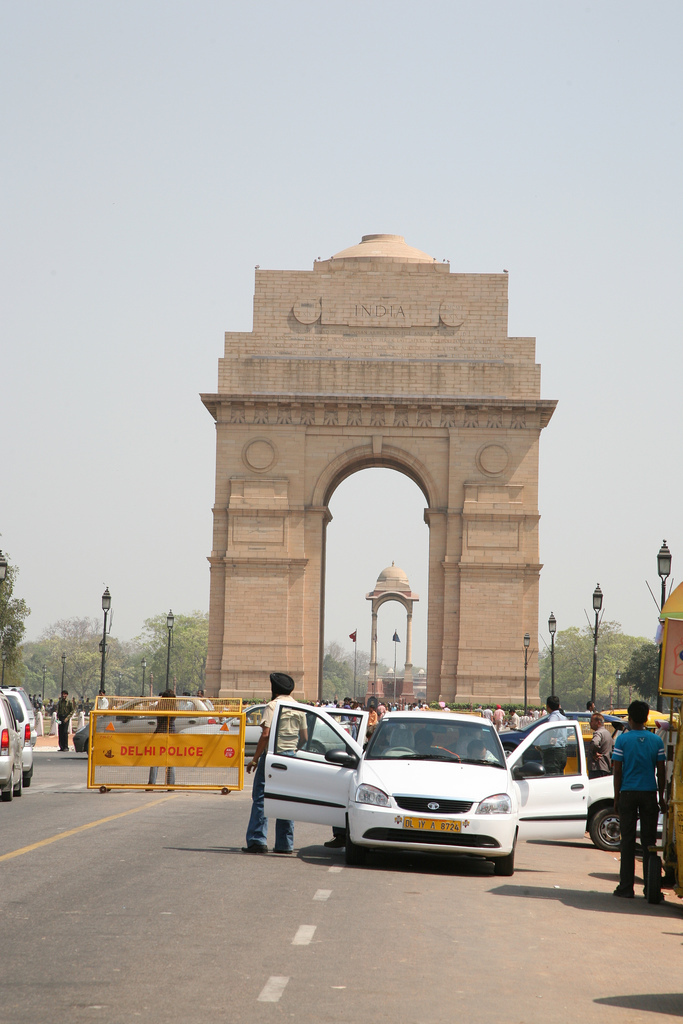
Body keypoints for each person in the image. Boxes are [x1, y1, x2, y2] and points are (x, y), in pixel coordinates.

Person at [243, 672, 307, 855]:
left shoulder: (272, 706)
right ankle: (284, 844)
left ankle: (257, 840)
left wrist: (255, 759)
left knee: (261, 798)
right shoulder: (299, 707)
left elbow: (265, 734)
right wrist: (294, 750)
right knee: (287, 799)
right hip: (291, 758)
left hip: (272, 757)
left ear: (274, 689)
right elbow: (305, 737)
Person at [612, 700, 667, 899]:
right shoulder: (656, 741)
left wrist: (616, 797)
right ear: (645, 718)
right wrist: (661, 796)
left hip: (627, 792)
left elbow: (617, 771)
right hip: (649, 793)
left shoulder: (622, 740)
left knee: (626, 840)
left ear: (630, 717)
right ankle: (651, 888)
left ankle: (626, 887)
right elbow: (661, 771)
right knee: (649, 842)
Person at [148, 690, 177, 787]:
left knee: (155, 759)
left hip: (160, 732)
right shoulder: (174, 707)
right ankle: (171, 784)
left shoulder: (159, 706)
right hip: (172, 733)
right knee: (171, 761)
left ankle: (151, 783)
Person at [588, 713, 613, 779]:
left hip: (597, 768)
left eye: (592, 721)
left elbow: (595, 743)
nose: (590, 723)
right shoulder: (607, 733)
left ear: (598, 722)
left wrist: (594, 753)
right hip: (606, 768)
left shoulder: (598, 733)